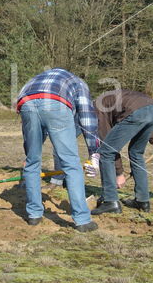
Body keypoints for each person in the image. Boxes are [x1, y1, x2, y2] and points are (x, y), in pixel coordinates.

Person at [16, 68, 99, 232]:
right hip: (56, 104)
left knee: (33, 162)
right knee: (71, 164)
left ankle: (34, 214)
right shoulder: (78, 82)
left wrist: (30, 151)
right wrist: (94, 153)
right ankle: (82, 220)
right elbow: (87, 117)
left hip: (25, 102)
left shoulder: (36, 79)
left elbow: (35, 112)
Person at [90, 89, 153, 215]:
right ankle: (142, 200)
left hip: (138, 112)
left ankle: (110, 201)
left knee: (105, 153)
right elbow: (143, 113)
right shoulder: (108, 99)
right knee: (136, 153)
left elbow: (107, 145)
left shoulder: (97, 109)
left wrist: (119, 174)